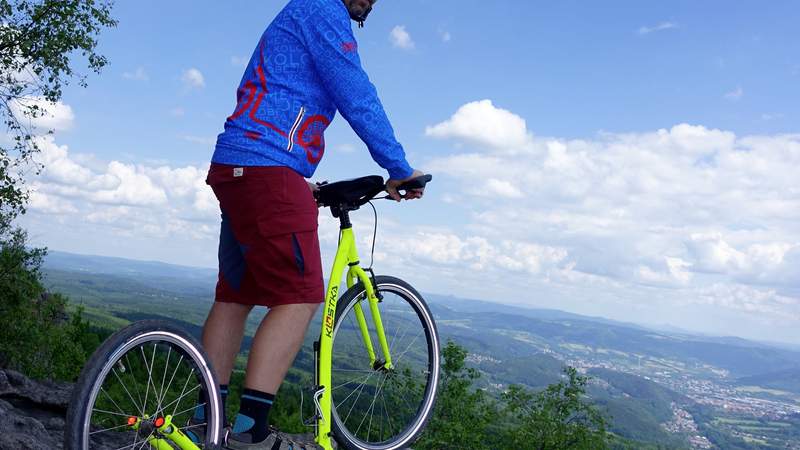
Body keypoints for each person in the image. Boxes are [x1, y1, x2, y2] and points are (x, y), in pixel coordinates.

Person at [196, 0, 425, 448]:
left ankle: (206, 423)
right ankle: (250, 433)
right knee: (300, 297)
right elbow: (356, 94)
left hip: (236, 165)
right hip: (270, 167)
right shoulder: (323, 11)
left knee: (234, 295)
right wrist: (398, 167)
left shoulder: (300, 11)